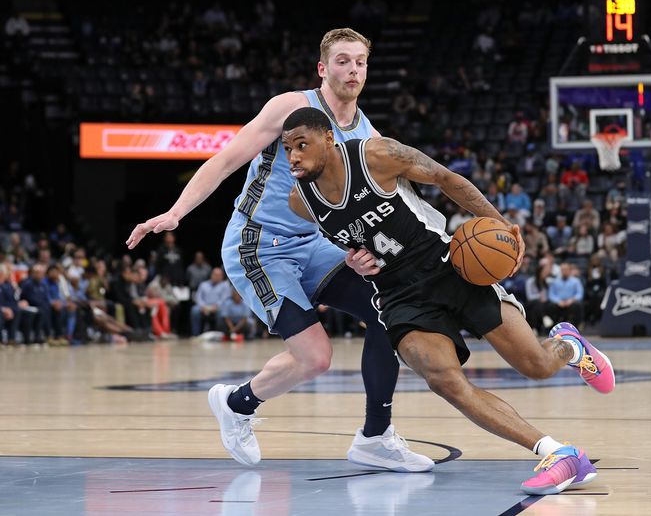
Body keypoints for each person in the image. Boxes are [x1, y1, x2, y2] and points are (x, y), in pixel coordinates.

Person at [125, 28, 431, 472]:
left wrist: (361, 250)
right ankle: (237, 404)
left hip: (317, 246)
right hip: (259, 246)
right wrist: (177, 213)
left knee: (391, 310)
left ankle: (375, 437)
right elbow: (227, 158)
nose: (353, 69)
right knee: (316, 359)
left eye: (361, 62)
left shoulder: (367, 135)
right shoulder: (293, 107)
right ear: (323, 69)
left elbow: (366, 207)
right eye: (343, 61)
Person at [283, 107, 615, 495]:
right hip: (398, 295)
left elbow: (445, 178)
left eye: (301, 145)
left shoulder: (376, 155)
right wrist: (354, 262)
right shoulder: (300, 201)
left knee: (538, 366)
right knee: (444, 381)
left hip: (447, 267)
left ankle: (570, 346)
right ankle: (558, 453)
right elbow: (356, 244)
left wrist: (502, 225)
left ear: (328, 139)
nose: (293, 157)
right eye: (287, 148)